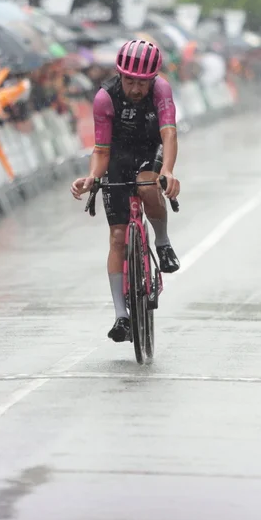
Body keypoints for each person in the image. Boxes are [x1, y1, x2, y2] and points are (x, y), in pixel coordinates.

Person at [70, 39, 182, 343]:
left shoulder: (161, 90)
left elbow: (169, 134)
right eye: (130, 81)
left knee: (147, 186)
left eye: (142, 83)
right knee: (117, 237)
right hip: (117, 155)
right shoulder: (105, 97)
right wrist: (92, 177)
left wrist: (168, 171)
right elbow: (101, 150)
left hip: (150, 149)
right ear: (120, 75)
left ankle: (162, 241)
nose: (135, 89)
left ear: (152, 80)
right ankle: (121, 316)